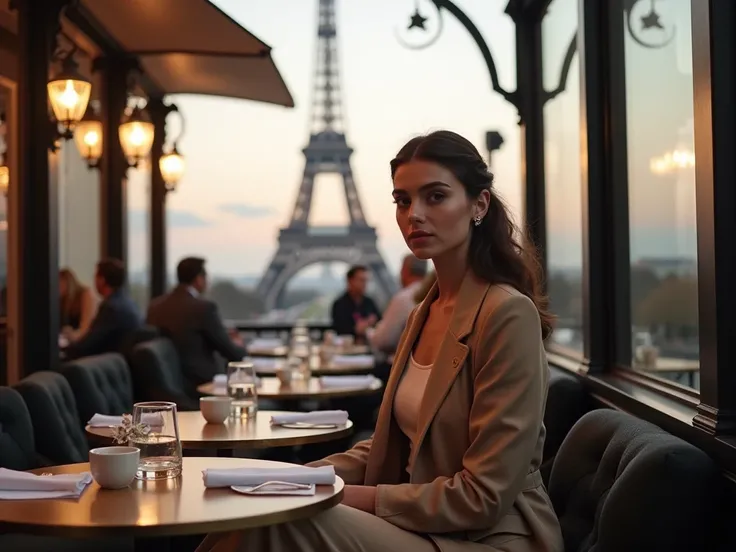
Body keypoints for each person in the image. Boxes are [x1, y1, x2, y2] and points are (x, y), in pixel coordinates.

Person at [196, 130, 563, 552]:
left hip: (489, 538)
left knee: (286, 522)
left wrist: (333, 493)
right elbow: (393, 446)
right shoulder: (424, 312)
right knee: (257, 510)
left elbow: (483, 497)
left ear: (478, 204)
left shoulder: (506, 314)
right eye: (403, 200)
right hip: (424, 524)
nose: (414, 215)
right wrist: (293, 478)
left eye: (436, 196)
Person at [147, 257, 247, 395]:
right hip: (203, 386)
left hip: (170, 387)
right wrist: (239, 344)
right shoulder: (203, 308)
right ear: (199, 279)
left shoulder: (155, 307)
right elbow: (231, 352)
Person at [64, 259, 142, 360]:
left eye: (95, 276)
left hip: (112, 363)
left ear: (102, 280)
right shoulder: (129, 303)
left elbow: (88, 345)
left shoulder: (111, 308)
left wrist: (64, 350)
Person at [367, 254, 427, 357]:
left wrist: (369, 332)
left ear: (405, 270)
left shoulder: (403, 299)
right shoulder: (437, 295)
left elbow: (384, 340)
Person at [330, 265, 382, 342]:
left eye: (366, 280)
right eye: (361, 280)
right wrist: (366, 324)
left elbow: (380, 323)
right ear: (350, 281)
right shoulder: (339, 304)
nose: (365, 284)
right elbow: (340, 330)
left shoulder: (370, 302)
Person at [59, 268, 99, 342]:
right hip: (67, 340)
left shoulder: (85, 294)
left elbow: (86, 327)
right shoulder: (61, 300)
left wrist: (73, 334)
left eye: (61, 285)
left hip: (84, 340)